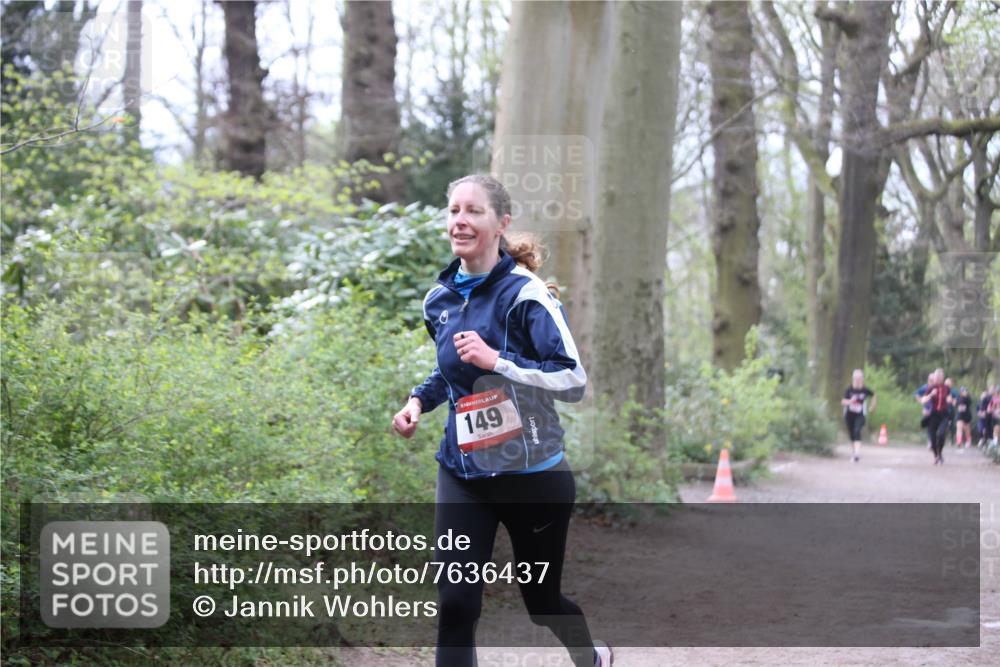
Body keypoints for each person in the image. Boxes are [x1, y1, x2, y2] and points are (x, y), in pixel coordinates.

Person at [391, 174, 612, 667]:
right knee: (456, 603)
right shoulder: (439, 300)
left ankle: (590, 657)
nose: (460, 221)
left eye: (473, 211)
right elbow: (450, 371)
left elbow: (573, 380)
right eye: (453, 211)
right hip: (463, 473)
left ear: (501, 223)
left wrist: (498, 363)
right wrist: (417, 402)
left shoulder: (526, 295)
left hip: (532, 477)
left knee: (542, 606)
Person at [841, 369, 876, 462]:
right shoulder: (849, 389)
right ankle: (854, 452)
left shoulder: (865, 390)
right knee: (852, 434)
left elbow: (874, 394)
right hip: (849, 415)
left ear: (862, 379)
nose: (857, 380)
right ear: (853, 379)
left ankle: (857, 454)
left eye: (859, 378)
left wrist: (873, 406)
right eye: (856, 378)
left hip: (860, 415)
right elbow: (843, 402)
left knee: (857, 431)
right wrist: (850, 401)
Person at [919, 369, 953, 464]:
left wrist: (950, 399)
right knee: (933, 437)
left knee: (941, 434)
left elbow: (950, 398)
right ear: (934, 378)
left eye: (939, 377)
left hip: (944, 414)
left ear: (942, 377)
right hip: (933, 414)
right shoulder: (931, 387)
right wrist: (930, 395)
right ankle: (936, 455)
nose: (938, 378)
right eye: (936, 377)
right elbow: (923, 400)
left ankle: (940, 452)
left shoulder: (946, 388)